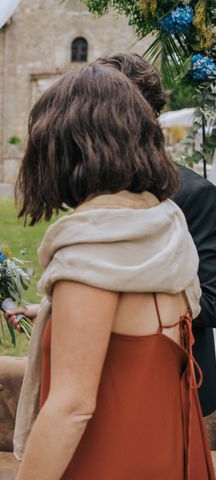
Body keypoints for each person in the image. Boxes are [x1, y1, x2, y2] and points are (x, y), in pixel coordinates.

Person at [13, 65, 214, 479]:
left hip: (106, 457)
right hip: (170, 450)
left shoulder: (94, 245)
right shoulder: (166, 226)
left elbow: (72, 406)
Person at [95, 52, 216, 416]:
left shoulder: (195, 194)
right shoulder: (94, 188)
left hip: (174, 382)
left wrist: (101, 309)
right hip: (103, 375)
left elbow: (210, 301)